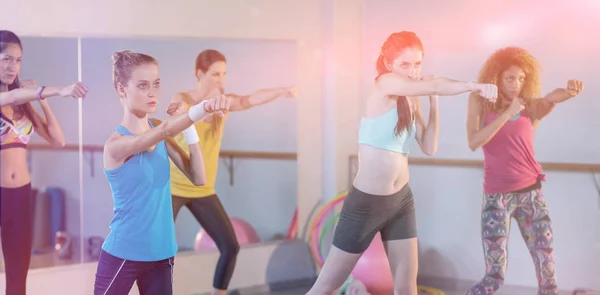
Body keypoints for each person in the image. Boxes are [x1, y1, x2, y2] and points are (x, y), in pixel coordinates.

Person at [305, 31, 498, 295]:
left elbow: (429, 147)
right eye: (404, 64)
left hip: (401, 201)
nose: (412, 71)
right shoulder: (384, 84)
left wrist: (433, 101)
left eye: (417, 64)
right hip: (367, 203)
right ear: (388, 64)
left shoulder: (411, 97)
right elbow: (436, 83)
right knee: (326, 286)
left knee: (407, 287)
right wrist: (474, 86)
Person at [93, 49, 231, 295]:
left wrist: (190, 128)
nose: (152, 93)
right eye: (143, 85)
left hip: (161, 253)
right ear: (121, 89)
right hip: (124, 252)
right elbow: (160, 133)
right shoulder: (115, 145)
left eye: (156, 84)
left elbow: (199, 178)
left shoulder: (159, 127)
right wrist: (201, 109)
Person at [168, 49, 297, 295]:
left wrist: (282, 91)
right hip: (172, 187)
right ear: (199, 73)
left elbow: (251, 99)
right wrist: (209, 106)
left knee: (230, 247)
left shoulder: (224, 102)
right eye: (215, 74)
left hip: (202, 189)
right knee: (160, 250)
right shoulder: (182, 97)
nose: (221, 80)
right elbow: (186, 115)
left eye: (224, 74)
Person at [465, 46, 583, 295]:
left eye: (521, 78)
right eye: (510, 78)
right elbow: (474, 141)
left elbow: (550, 99)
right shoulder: (480, 102)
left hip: (532, 196)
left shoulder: (528, 106)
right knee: (494, 277)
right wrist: (508, 112)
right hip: (497, 199)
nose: (516, 84)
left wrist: (568, 93)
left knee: (548, 275)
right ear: (495, 77)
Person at [0, 30, 88, 295]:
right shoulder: (12, 98)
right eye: (6, 59)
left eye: (17, 60)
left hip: (19, 196)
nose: (12, 66)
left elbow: (58, 140)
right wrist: (60, 90)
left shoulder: (23, 104)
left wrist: (43, 101)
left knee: (18, 277)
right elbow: (11, 97)